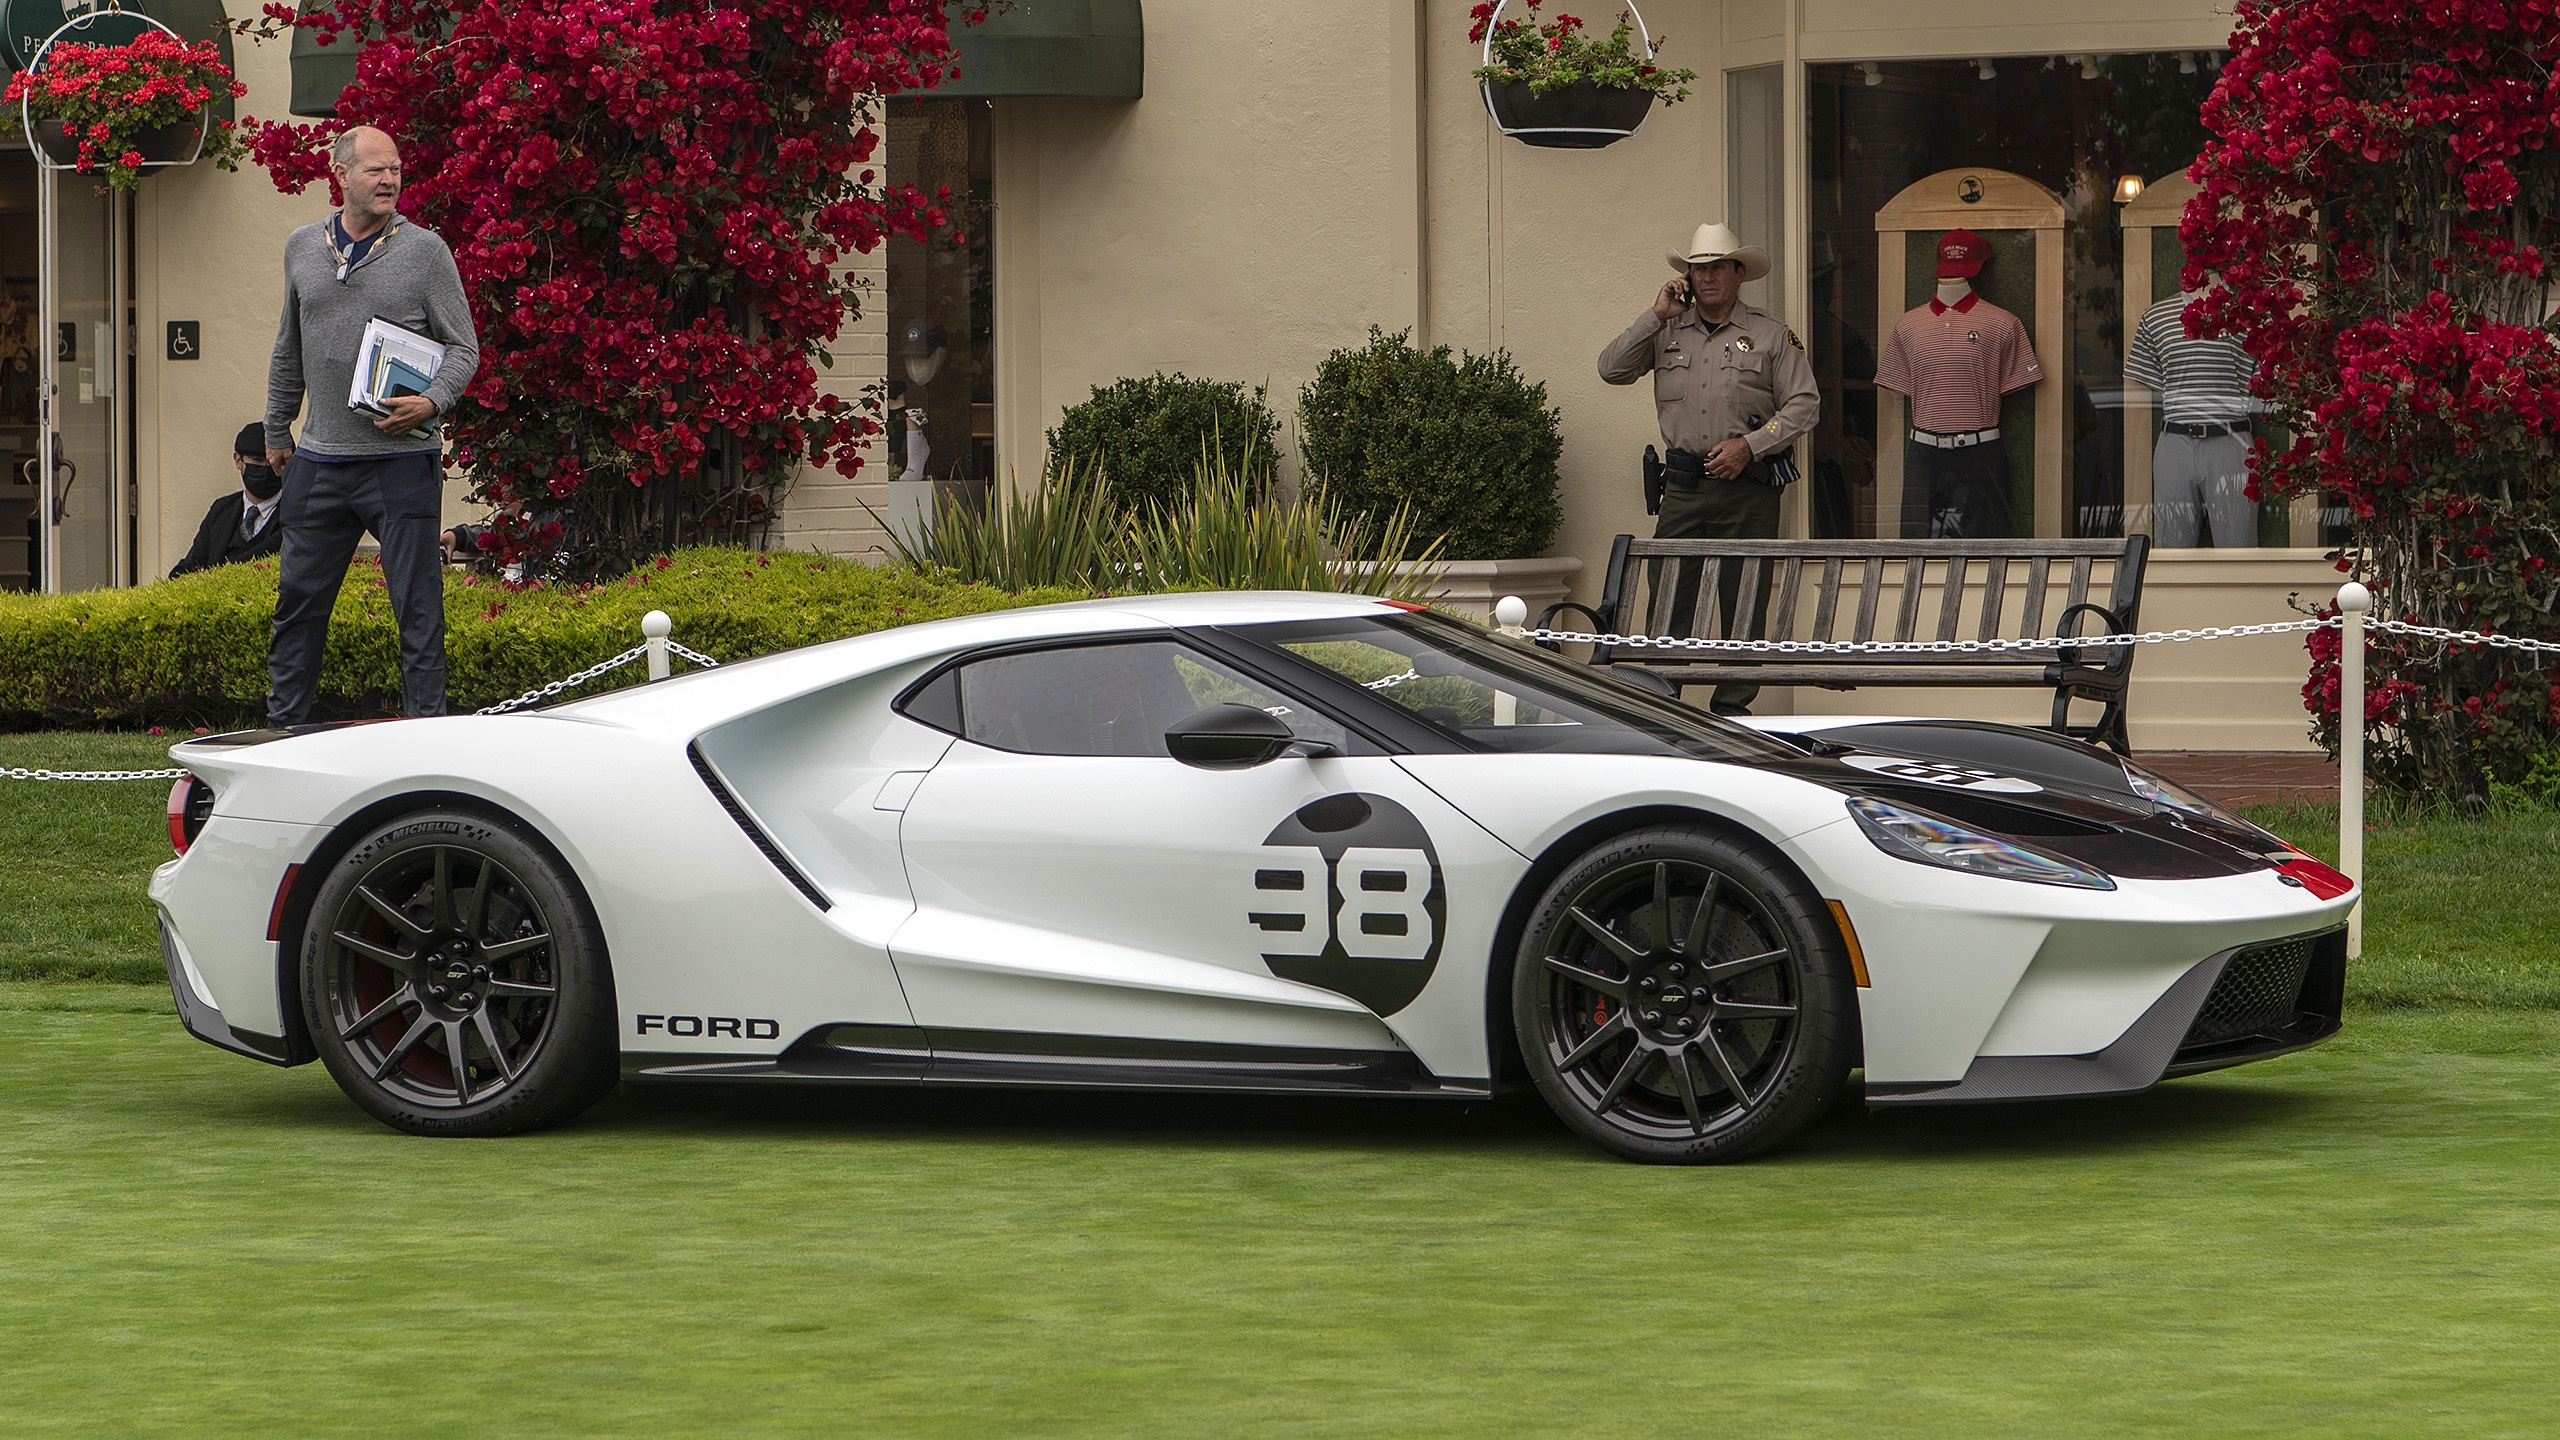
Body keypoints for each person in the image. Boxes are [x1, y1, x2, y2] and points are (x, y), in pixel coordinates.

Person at [263, 125, 480, 727]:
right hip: (319, 460)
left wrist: (432, 402)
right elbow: (289, 346)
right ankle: (284, 733)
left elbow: (464, 349)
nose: (389, 180)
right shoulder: (303, 246)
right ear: (340, 175)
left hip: (400, 463)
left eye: (395, 170)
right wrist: (276, 427)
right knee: (298, 607)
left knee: (418, 607)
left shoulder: (426, 252)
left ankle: (426, 734)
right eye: (375, 170)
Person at [1598, 221, 1819, 715]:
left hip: (1747, 487)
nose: (1707, 278)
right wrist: (1654, 316)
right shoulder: (1666, 330)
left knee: (1744, 599)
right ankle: (1662, 700)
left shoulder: (1770, 334)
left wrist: (1752, 445)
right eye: (1699, 269)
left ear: (1739, 273)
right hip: (1682, 487)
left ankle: (1733, 706)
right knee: (1669, 594)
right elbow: (1610, 369)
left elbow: (1804, 405)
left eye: (1718, 267)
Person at [1874, 229, 2042, 539]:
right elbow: (1897, 384)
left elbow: (2017, 390)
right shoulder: (1908, 325)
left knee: (1988, 549)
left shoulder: (2004, 323)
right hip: (1924, 451)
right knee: (1915, 550)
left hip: (1980, 452)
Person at [2125, 289, 2258, 547]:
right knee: (2171, 546)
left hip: (2231, 440)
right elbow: (2153, 378)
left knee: (2239, 548)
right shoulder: (2156, 317)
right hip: (2175, 441)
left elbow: (2264, 377)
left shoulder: (2248, 316)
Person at [168, 424, 286, 578]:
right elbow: (190, 566)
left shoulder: (298, 513)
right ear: (238, 461)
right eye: (257, 460)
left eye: (273, 462)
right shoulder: (222, 510)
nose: (266, 468)